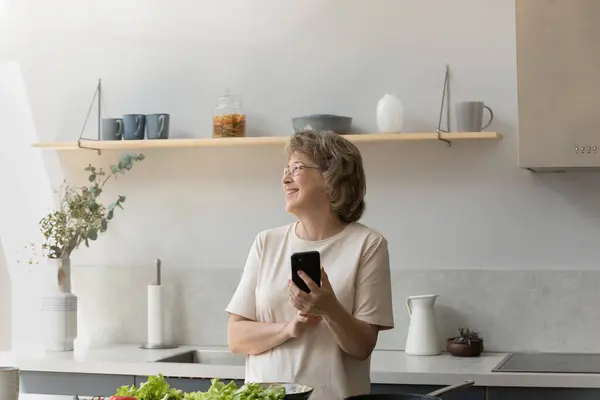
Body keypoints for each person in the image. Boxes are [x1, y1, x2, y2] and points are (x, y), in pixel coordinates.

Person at [225, 130, 394, 400]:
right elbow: (236, 337)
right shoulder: (266, 242)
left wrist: (330, 309)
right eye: (286, 169)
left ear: (332, 178)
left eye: (297, 168)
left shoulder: (367, 244)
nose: (285, 178)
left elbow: (362, 347)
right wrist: (290, 328)